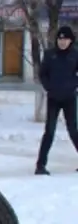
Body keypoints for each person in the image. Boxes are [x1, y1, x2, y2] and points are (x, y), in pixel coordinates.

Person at [35, 25, 78, 175]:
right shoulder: (49, 55)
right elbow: (42, 74)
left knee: (73, 130)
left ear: (70, 40)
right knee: (49, 131)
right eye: (60, 39)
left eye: (65, 39)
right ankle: (40, 165)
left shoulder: (75, 55)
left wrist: (74, 85)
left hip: (70, 98)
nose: (62, 42)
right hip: (53, 98)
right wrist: (49, 87)